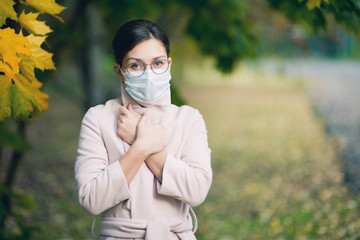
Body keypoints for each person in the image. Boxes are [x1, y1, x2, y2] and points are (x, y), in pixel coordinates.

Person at [74, 19, 212, 240]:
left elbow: (196, 191)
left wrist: (140, 137)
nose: (149, 73)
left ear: (169, 65)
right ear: (120, 71)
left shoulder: (189, 119)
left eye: (157, 63)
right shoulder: (98, 118)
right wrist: (141, 147)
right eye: (136, 65)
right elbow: (91, 199)